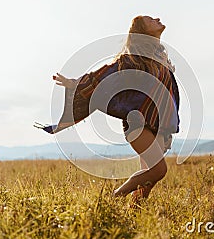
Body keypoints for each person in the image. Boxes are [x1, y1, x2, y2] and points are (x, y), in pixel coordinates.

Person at [37, 16, 180, 205]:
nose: (157, 19)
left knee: (148, 178)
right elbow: (105, 75)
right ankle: (113, 198)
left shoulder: (160, 57)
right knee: (158, 170)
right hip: (138, 123)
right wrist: (74, 83)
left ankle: (135, 213)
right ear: (141, 31)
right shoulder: (132, 59)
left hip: (156, 122)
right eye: (150, 19)